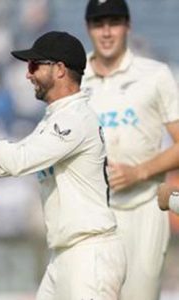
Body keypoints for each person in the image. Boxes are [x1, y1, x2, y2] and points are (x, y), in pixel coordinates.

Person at [0, 31, 126, 299]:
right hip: (65, 255)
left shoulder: (74, 119)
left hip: (89, 255)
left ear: (60, 69)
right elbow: (1, 168)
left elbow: (15, 162)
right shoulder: (54, 118)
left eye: (34, 66)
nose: (28, 74)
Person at [82, 1, 179, 298]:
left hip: (144, 208)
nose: (107, 32)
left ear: (128, 26)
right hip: (92, 213)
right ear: (88, 28)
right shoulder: (73, 76)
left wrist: (139, 172)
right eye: (99, 24)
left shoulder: (155, 74)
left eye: (114, 22)